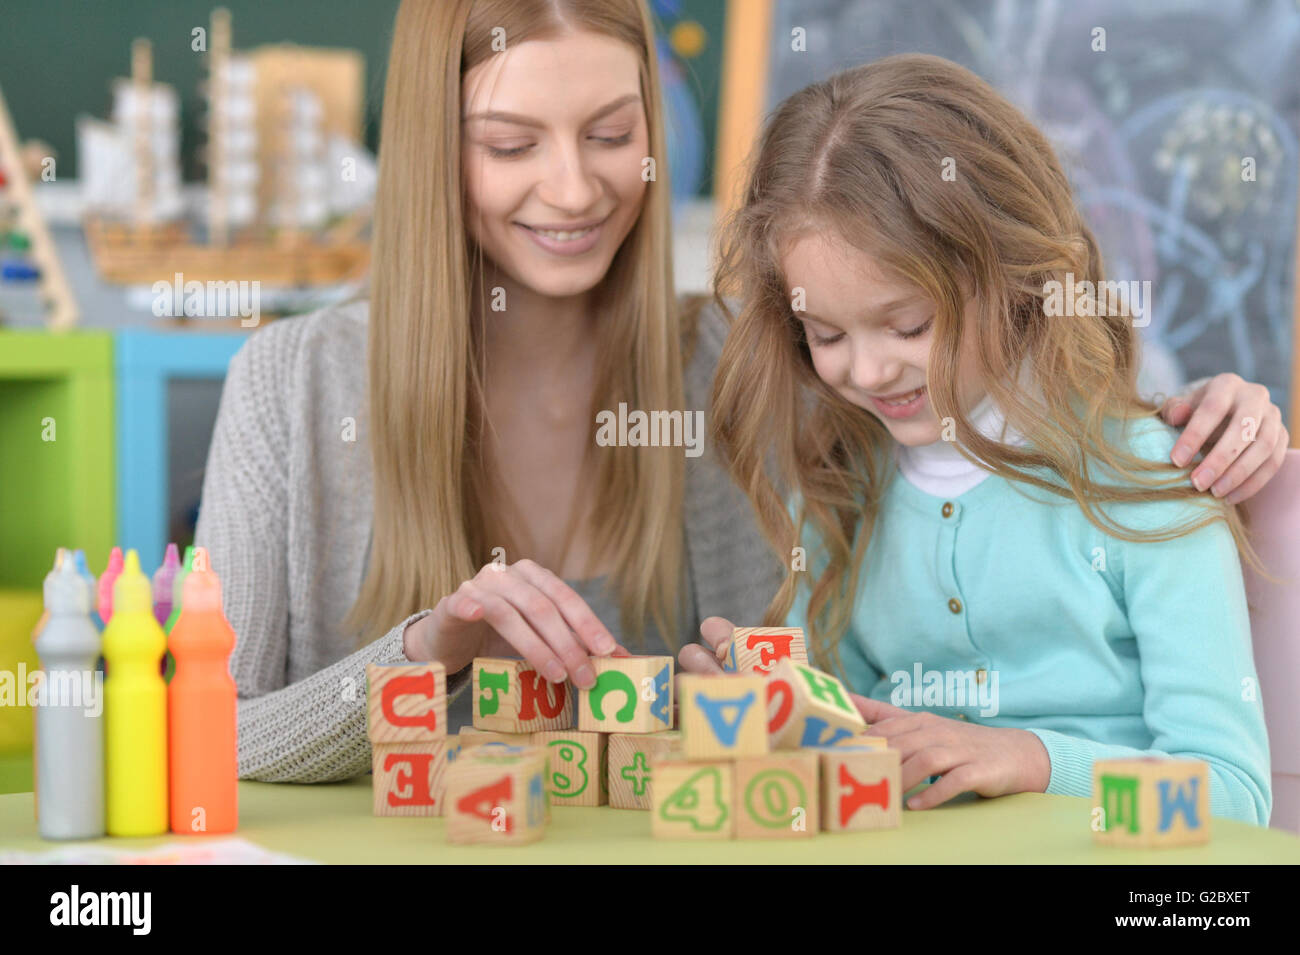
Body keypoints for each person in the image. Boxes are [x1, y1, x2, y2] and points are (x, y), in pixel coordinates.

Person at [196, 1, 1287, 784]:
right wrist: (425, 651)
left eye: (614, 136)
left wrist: (1224, 410)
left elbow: (1000, 391)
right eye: (511, 144)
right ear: (438, 153)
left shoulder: (756, 364)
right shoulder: (288, 386)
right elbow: (206, 738)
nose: (573, 188)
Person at [685, 54, 1275, 823]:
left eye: (909, 325)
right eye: (825, 333)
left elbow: (1232, 793)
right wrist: (763, 716)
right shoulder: (842, 485)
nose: (866, 368)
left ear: (1016, 276)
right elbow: (842, 751)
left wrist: (1031, 759)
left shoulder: (1147, 478)